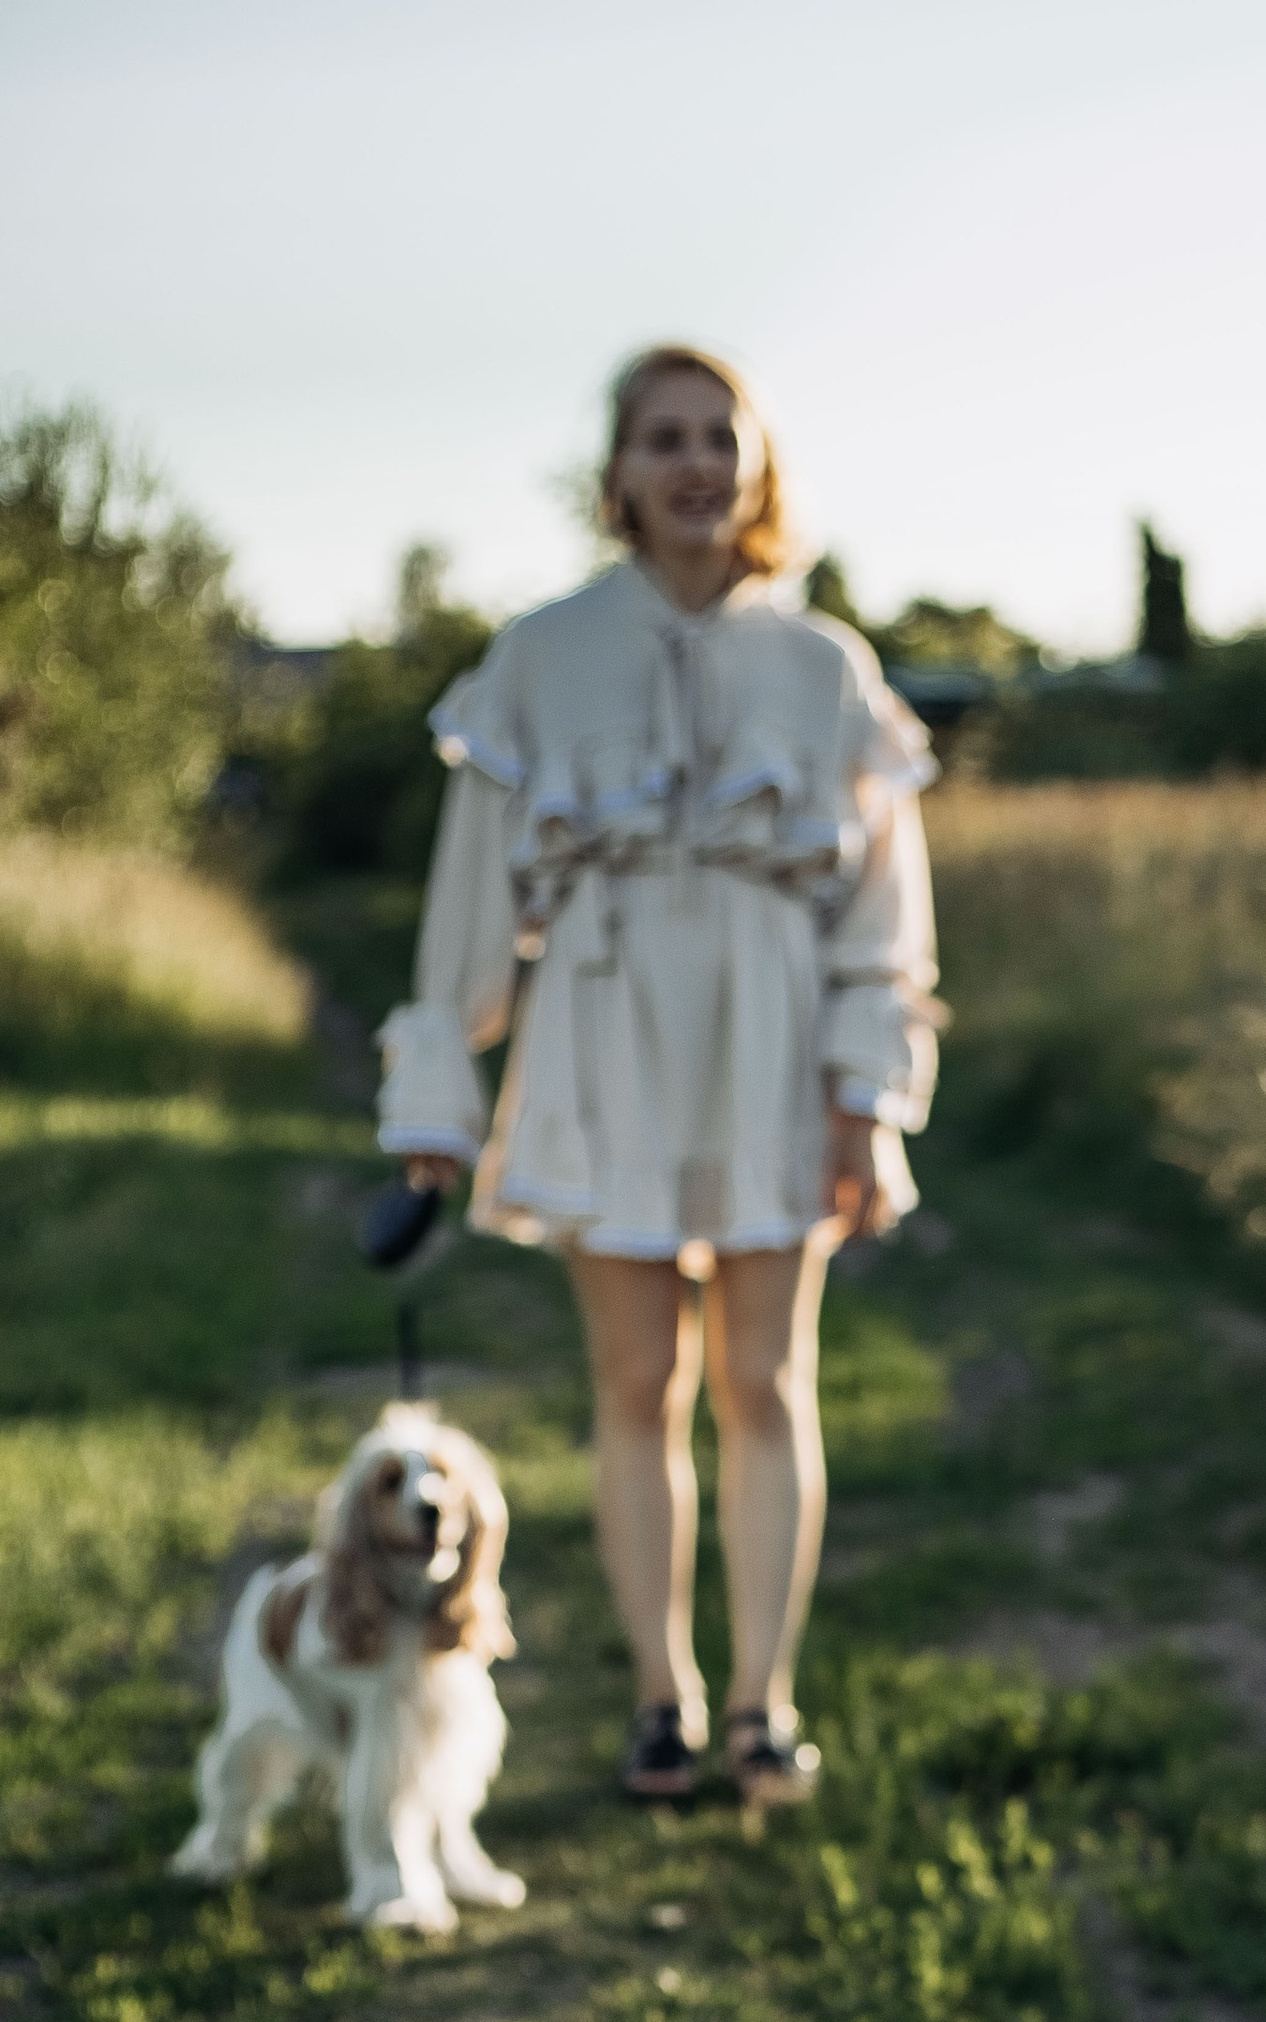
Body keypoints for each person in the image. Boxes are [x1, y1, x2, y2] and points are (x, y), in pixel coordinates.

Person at [376, 345, 940, 1808]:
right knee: (637, 1381)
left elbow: (885, 916)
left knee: (763, 1380)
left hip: (771, 1032)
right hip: (600, 1032)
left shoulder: (825, 669)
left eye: (721, 437)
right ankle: (659, 1699)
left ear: (757, 470)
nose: (696, 463)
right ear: (618, 475)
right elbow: (467, 901)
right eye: (665, 437)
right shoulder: (540, 654)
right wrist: (438, 1102)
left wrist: (864, 1100)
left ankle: (763, 1703)